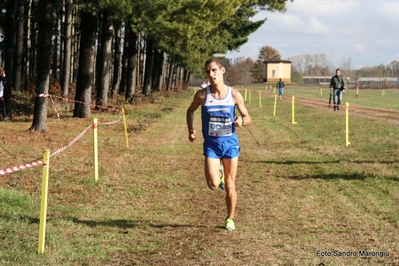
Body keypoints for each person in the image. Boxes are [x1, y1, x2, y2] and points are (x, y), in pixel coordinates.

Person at [186, 57, 251, 231]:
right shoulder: (202, 95)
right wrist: (191, 130)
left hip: (230, 143)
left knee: (230, 185)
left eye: (214, 70)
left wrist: (241, 120)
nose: (211, 74)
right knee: (213, 185)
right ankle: (219, 173)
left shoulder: (234, 94)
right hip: (211, 145)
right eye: (208, 71)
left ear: (222, 71)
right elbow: (190, 111)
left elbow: (248, 118)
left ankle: (230, 218)